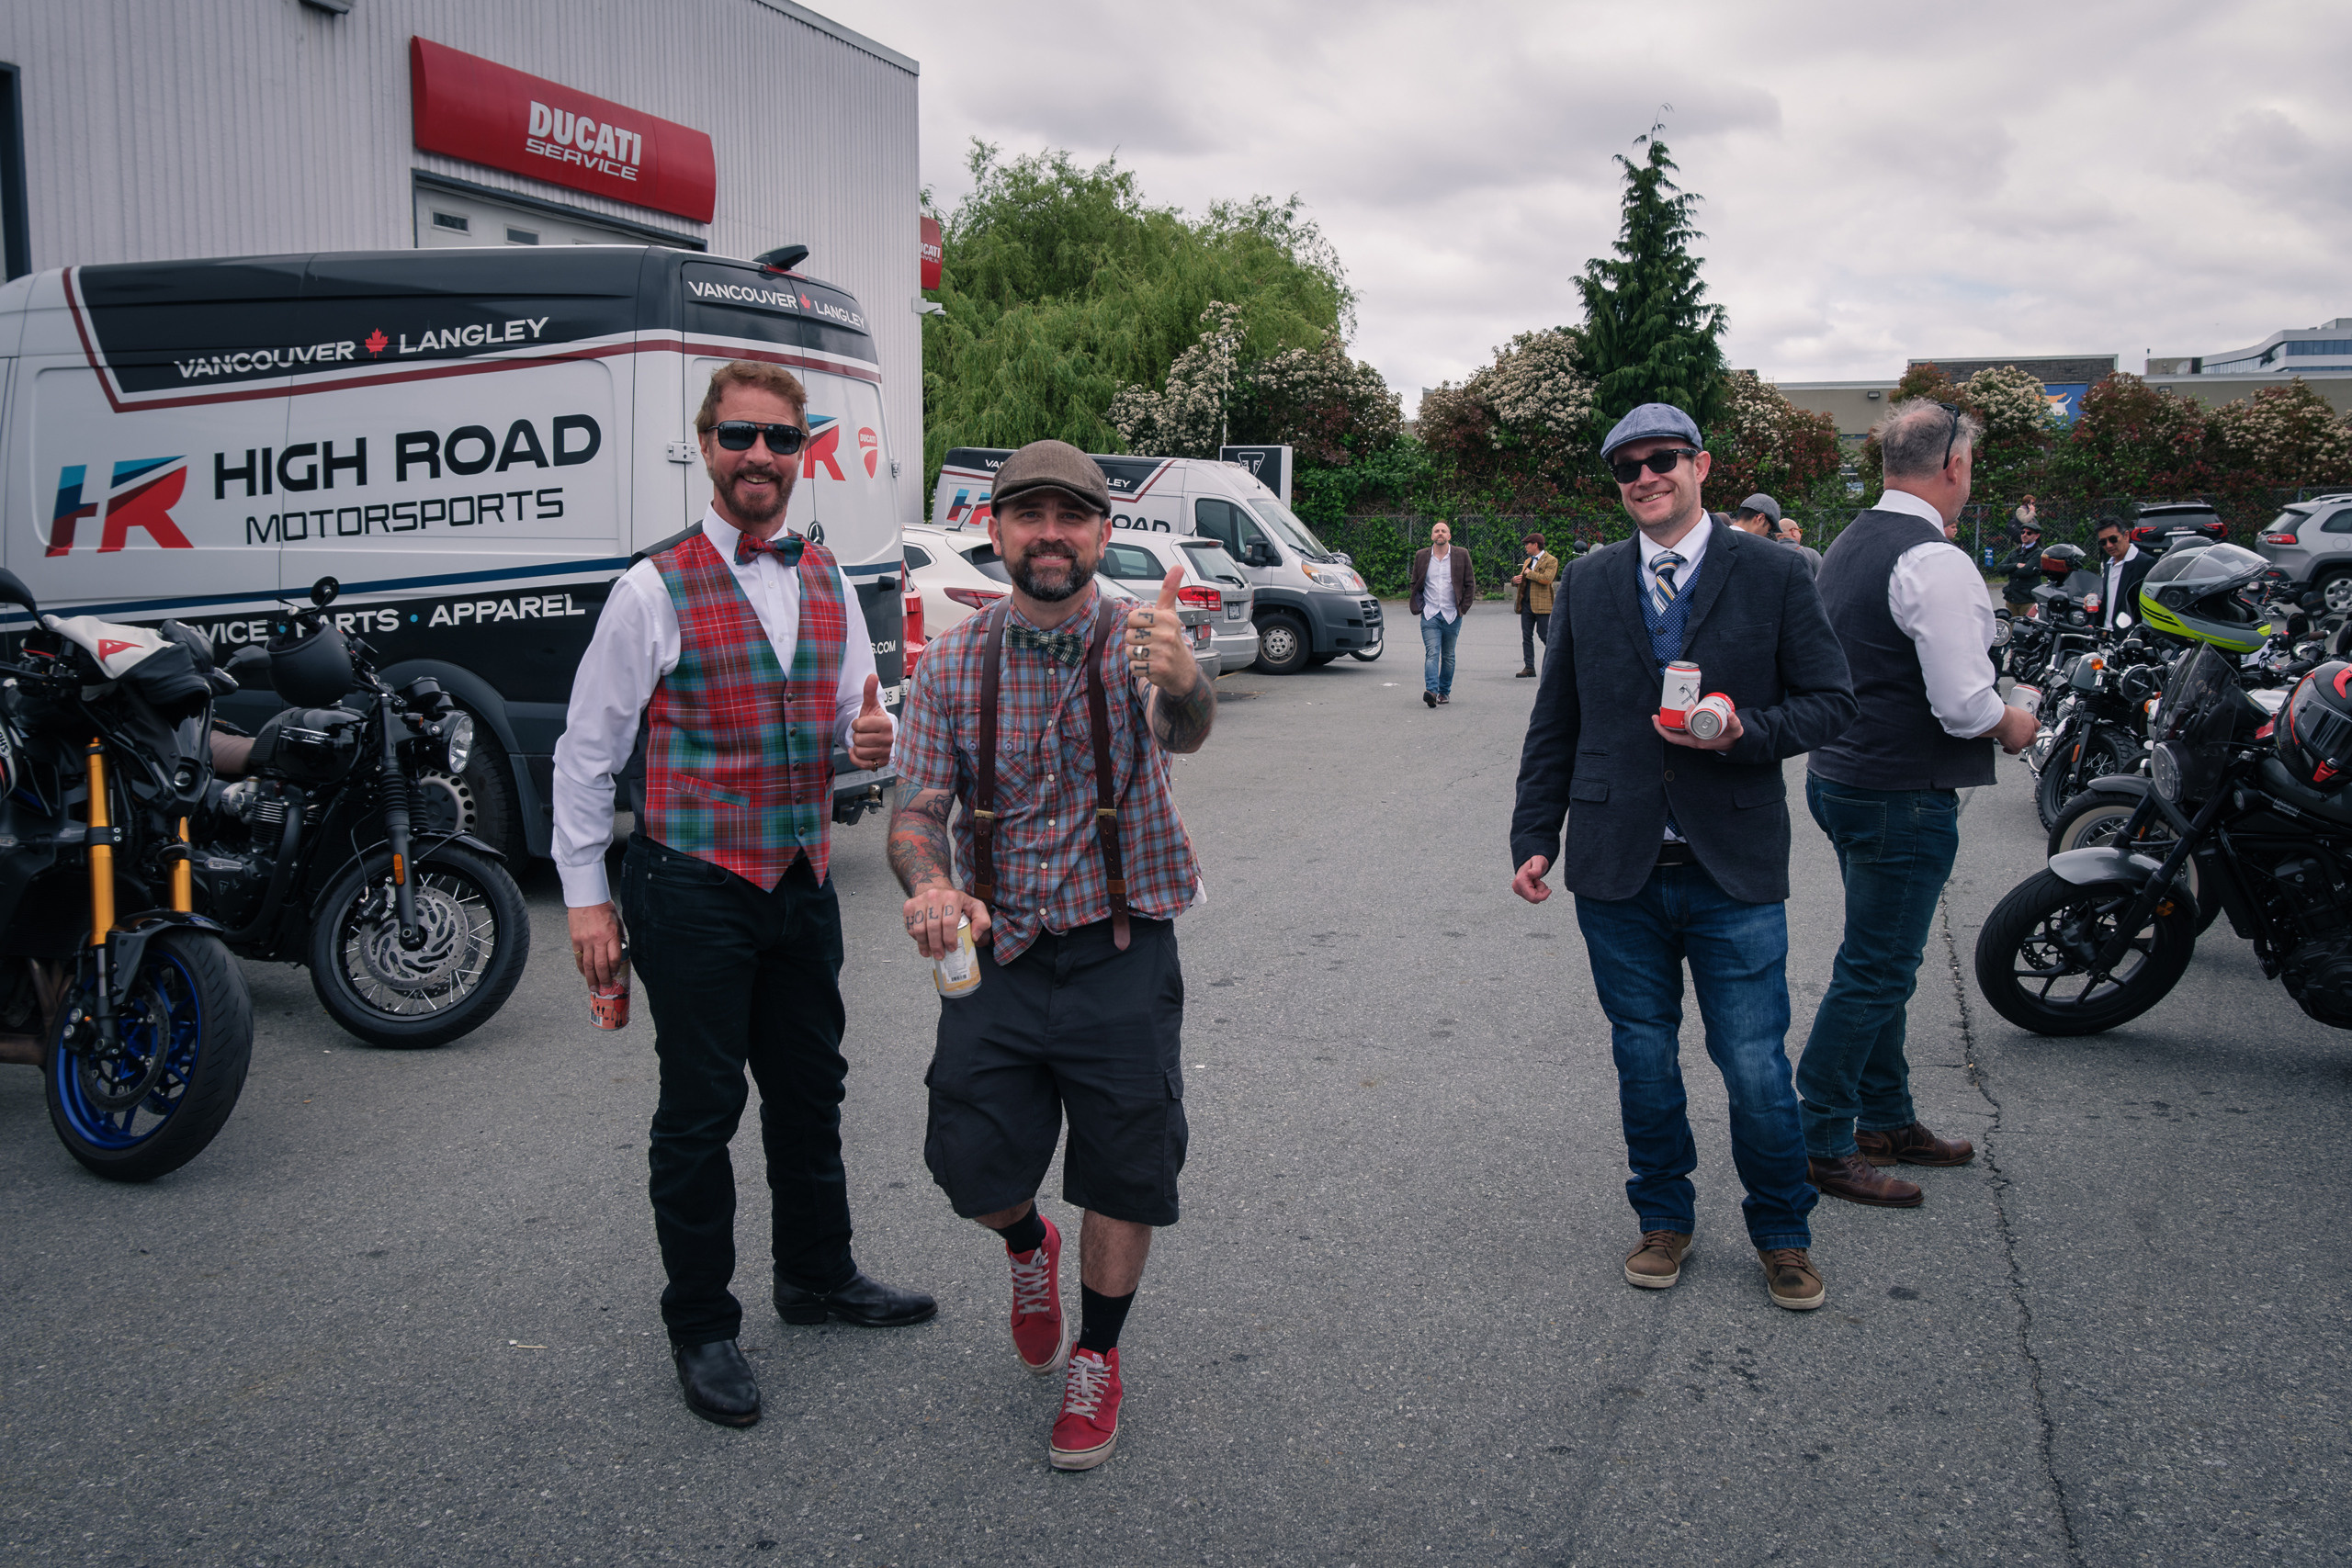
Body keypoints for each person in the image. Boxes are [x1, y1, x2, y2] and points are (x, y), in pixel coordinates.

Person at [554, 361, 936, 1428]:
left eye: (778, 438)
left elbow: (857, 723)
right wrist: (588, 900)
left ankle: (817, 1277)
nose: (758, 456)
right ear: (705, 446)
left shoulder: (825, 579)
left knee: (812, 1092)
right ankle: (701, 1325)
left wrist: (874, 741)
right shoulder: (651, 585)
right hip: (692, 885)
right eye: (738, 437)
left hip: (800, 878)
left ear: (802, 449)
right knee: (700, 1110)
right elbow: (587, 755)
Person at [887, 438, 1214, 1472]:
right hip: (1002, 952)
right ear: (996, 531)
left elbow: (1186, 728)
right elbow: (913, 812)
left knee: (1123, 1171)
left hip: (1121, 946)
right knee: (971, 1170)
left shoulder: (1140, 641)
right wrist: (932, 885)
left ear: (1102, 534)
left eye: (1071, 517)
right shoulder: (949, 665)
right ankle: (1028, 1245)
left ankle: (1097, 1356)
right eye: (1028, 516)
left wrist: (1186, 676)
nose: (1049, 535)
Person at [1509, 403, 1857, 1313]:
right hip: (1615, 866)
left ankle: (1782, 1230)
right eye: (1626, 468)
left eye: (1660, 459)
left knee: (1750, 1062)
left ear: (1699, 466)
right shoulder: (1586, 581)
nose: (1643, 477)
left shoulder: (1776, 572)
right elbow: (1557, 722)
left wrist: (1747, 733)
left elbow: (1830, 702)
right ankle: (1663, 1216)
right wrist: (1533, 836)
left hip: (1731, 865)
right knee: (1643, 1059)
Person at [1798, 400, 2039, 1207]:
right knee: (1875, 970)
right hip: (1900, 791)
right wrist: (2019, 722)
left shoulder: (1850, 543)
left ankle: (1885, 1117)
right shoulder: (1933, 559)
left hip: (1843, 775)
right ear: (1954, 466)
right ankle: (1822, 1137)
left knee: (1879, 962)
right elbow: (1965, 705)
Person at [1410, 521, 1475, 706]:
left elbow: (1470, 584)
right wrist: (1419, 605)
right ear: (1432, 536)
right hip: (1430, 614)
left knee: (1448, 655)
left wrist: (1463, 608)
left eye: (1443, 531)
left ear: (1449, 536)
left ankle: (1444, 692)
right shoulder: (1422, 556)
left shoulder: (1461, 555)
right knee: (1432, 653)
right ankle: (1431, 691)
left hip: (1452, 614)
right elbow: (1415, 582)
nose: (1440, 533)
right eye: (1436, 531)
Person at [1511, 532, 1560, 677]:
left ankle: (1559, 662)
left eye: (1528, 544)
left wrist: (1529, 573)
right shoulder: (1528, 561)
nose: (1526, 546)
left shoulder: (1551, 560)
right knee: (1526, 636)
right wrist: (1515, 580)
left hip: (1542, 605)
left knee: (1544, 635)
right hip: (1526, 604)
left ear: (1536, 545)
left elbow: (1547, 579)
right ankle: (1529, 668)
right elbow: (1523, 578)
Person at [2092, 518, 2151, 634]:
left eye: (2113, 539)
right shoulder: (2109, 565)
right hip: (2104, 635)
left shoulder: (2145, 563)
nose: (2108, 545)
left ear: (2126, 535)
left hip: (2130, 637)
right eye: (2103, 542)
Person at [1999, 519, 2044, 613]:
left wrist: (2009, 571)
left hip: (2028, 601)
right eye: (2023, 532)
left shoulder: (2038, 553)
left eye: (2029, 533)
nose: (2024, 535)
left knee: (2026, 627)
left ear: (2036, 536)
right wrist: (2016, 565)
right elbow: (2000, 568)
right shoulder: (2015, 552)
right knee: (2010, 626)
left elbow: (2026, 571)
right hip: (2011, 599)